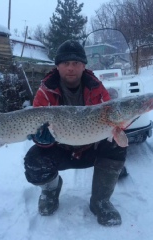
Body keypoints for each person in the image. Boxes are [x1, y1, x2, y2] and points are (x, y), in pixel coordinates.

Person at [24, 40, 127, 226]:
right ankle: (51, 191)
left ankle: (100, 201)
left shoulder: (97, 88)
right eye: (65, 63)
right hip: (60, 149)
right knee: (33, 160)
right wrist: (42, 140)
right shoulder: (44, 92)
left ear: (83, 66)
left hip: (90, 147)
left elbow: (114, 120)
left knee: (116, 146)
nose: (71, 68)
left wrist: (121, 125)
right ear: (57, 66)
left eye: (76, 63)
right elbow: (36, 127)